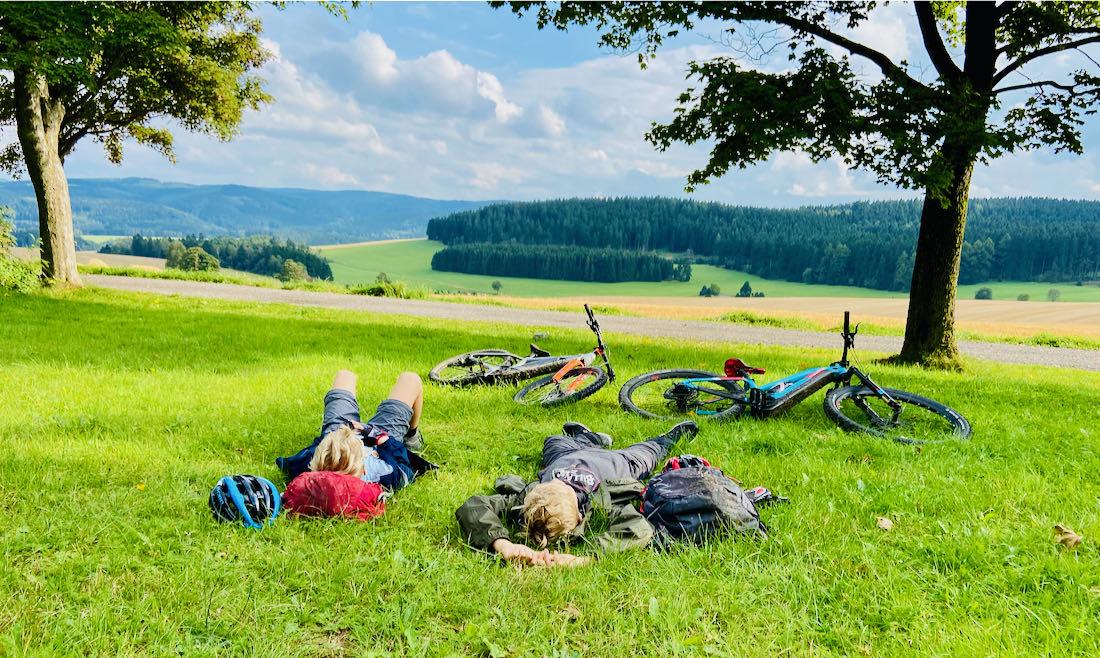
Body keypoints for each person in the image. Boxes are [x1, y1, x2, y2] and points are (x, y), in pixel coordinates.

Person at [455, 420, 698, 567]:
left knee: (649, 452)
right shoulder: (535, 497)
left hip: (617, 460)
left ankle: (665, 439)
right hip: (574, 456)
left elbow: (639, 527)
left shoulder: (599, 501)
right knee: (554, 441)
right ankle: (589, 438)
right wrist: (504, 545)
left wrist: (586, 559)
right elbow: (474, 506)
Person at [276, 369, 434, 490]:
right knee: (410, 379)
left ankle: (340, 435)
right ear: (364, 470)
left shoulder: (308, 466)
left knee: (344, 375)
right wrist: (378, 436)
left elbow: (306, 453)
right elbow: (405, 467)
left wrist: (334, 439)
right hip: (379, 438)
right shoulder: (381, 472)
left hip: (338, 433)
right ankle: (411, 435)